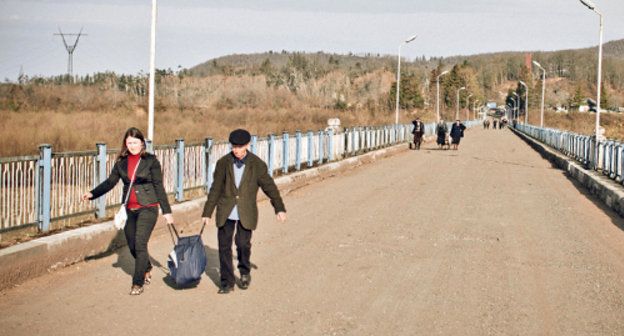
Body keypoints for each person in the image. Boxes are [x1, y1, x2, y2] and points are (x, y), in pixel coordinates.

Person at [81, 127, 174, 296]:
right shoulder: (121, 163)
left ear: (142, 143)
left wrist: (166, 211)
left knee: (140, 243)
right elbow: (110, 182)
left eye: (136, 142)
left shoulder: (151, 161)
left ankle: (137, 283)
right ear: (125, 143)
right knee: (132, 245)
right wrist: (92, 193)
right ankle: (146, 266)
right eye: (129, 143)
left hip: (148, 207)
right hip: (129, 209)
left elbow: (158, 186)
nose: (132, 146)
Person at [201, 129, 287, 294]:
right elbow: (215, 189)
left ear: (248, 145)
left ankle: (244, 271)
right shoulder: (223, 163)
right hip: (226, 210)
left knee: (242, 244)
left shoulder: (257, 164)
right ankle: (226, 281)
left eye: (240, 147)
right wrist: (207, 212)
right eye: (234, 147)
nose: (237, 151)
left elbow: (269, 187)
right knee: (224, 246)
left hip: (246, 211)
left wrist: (279, 208)